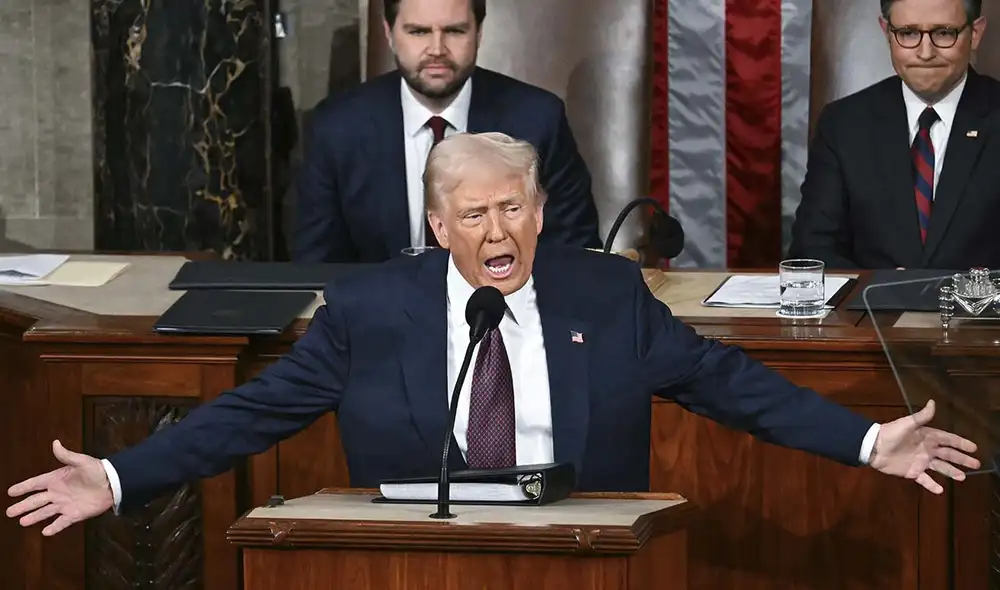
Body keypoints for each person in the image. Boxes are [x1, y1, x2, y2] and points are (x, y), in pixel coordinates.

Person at [6, 132, 979, 537]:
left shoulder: (603, 296)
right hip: (417, 561)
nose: (498, 232)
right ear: (439, 226)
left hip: (586, 553)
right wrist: (122, 474)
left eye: (512, 208)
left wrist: (867, 439)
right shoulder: (372, 309)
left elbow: (731, 383)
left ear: (537, 211)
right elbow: (252, 413)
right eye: (473, 215)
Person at [291, 0, 601, 263]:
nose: (436, 49)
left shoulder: (537, 120)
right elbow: (316, 266)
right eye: (418, 31)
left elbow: (575, 254)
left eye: (454, 31)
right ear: (389, 33)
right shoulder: (336, 127)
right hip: (380, 321)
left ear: (478, 33)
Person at [788, 0, 1000, 269]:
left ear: (976, 33)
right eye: (909, 33)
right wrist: (886, 290)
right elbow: (812, 250)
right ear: (887, 33)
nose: (925, 53)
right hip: (871, 308)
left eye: (944, 33)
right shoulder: (843, 124)